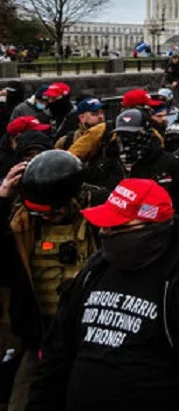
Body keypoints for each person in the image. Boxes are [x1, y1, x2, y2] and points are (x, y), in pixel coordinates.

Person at [26, 178, 179, 410]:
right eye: (103, 227)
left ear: (152, 226)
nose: (104, 233)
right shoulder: (97, 267)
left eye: (116, 227)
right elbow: (58, 351)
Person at [0, 150, 99, 409]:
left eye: (52, 213)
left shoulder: (97, 217)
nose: (45, 219)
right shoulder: (21, 224)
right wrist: (2, 200)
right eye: (39, 214)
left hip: (88, 338)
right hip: (39, 337)